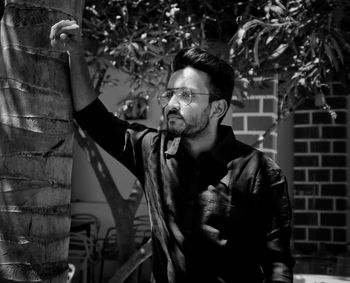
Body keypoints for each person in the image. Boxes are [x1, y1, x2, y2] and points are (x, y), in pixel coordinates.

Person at [50, 20, 294, 283]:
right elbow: (93, 119)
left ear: (217, 108)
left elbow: (276, 266)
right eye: (169, 94)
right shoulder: (153, 152)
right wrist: (74, 54)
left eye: (187, 95)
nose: (172, 105)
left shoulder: (259, 172)